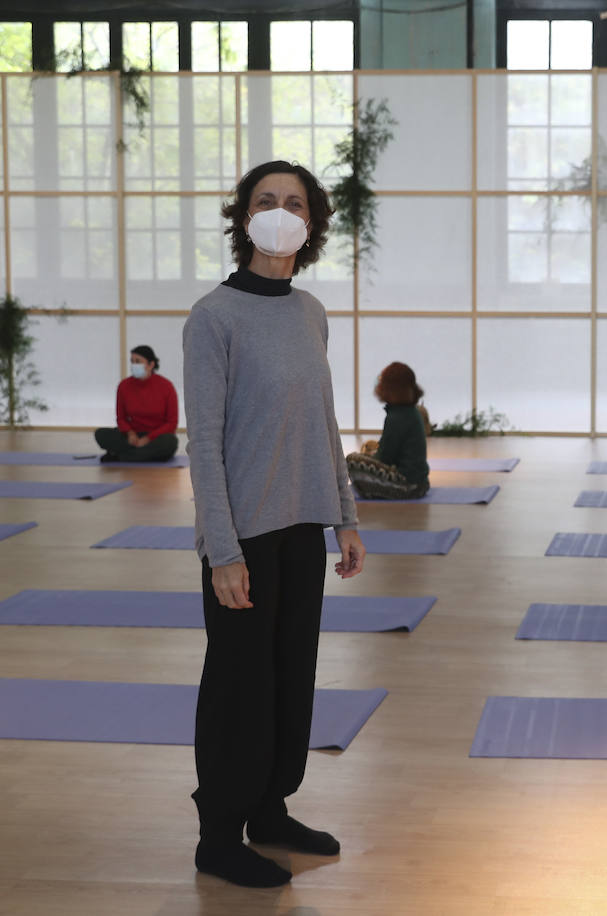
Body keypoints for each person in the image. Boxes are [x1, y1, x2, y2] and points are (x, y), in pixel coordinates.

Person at [182, 160, 366, 888]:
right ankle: (219, 834)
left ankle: (270, 810)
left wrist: (344, 516)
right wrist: (223, 552)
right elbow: (205, 443)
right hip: (244, 536)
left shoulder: (310, 311)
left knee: (292, 678)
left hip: (302, 530)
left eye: (294, 203)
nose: (280, 212)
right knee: (239, 688)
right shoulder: (214, 318)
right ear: (243, 216)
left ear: (311, 222)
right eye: (266, 201)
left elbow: (321, 423)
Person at [347, 362, 431, 499]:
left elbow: (385, 458)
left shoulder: (397, 417)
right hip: (421, 483)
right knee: (363, 456)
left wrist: (368, 456)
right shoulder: (410, 411)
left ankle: (373, 490)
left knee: (352, 460)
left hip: (408, 486)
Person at [93, 345, 179, 462]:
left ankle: (121, 456)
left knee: (170, 442)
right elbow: (121, 418)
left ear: (151, 365)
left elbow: (171, 423)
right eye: (132, 361)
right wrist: (130, 434)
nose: (134, 365)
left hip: (156, 437)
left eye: (138, 361)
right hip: (132, 436)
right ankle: (144, 455)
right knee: (101, 434)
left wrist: (148, 438)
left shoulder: (166, 386)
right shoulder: (124, 386)